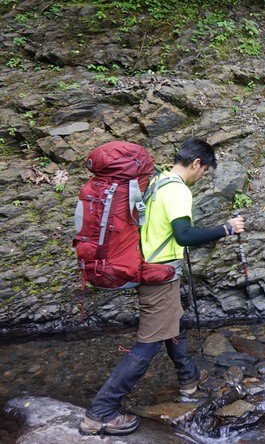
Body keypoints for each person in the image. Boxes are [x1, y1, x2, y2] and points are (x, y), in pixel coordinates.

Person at [80, 138, 246, 436]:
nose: (202, 177)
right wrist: (226, 229)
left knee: (175, 322)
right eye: (204, 171)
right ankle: (100, 411)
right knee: (149, 343)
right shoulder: (178, 191)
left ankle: (189, 380)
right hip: (159, 277)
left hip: (152, 271)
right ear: (196, 164)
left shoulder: (158, 182)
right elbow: (184, 235)